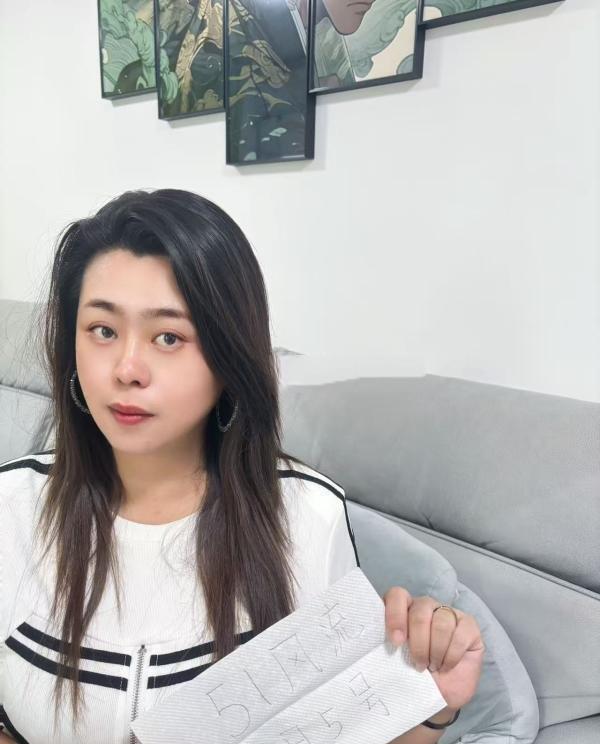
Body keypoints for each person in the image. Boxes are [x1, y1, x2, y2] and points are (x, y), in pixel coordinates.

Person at [0, 189, 484, 743]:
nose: (127, 368)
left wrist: (432, 705)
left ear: (229, 357)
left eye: (168, 337)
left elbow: (334, 733)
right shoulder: (10, 508)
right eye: (103, 331)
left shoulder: (306, 516)